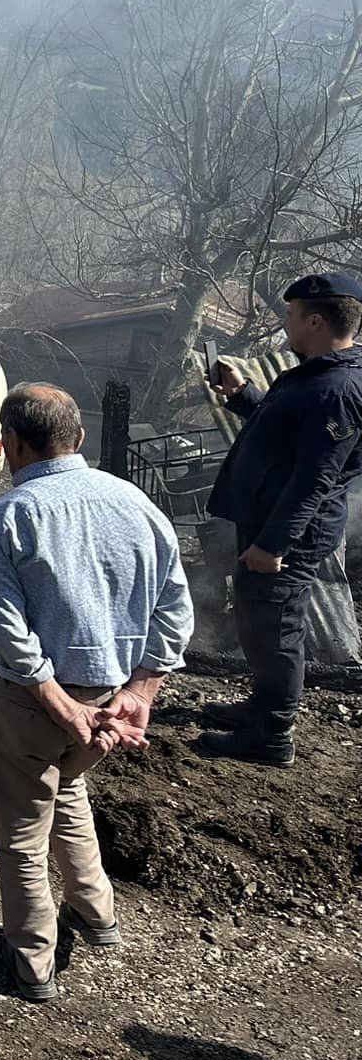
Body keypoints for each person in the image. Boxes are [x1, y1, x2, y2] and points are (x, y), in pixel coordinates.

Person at [0, 384, 192, 1002]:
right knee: (67, 784)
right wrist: (142, 688)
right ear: (80, 437)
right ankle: (97, 914)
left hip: (27, 699)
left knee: (21, 827)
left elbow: (11, 631)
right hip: (111, 693)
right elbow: (175, 608)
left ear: (13, 442)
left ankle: (33, 961)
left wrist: (55, 701)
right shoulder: (135, 502)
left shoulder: (8, 516)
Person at [203, 271, 362, 766]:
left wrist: (274, 545)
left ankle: (272, 734)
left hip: (289, 531)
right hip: (269, 519)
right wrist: (244, 394)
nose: (287, 324)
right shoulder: (316, 373)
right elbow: (288, 436)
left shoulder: (337, 387)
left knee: (277, 626)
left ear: (315, 320)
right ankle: (261, 706)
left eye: (292, 317)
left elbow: (315, 478)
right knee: (257, 617)